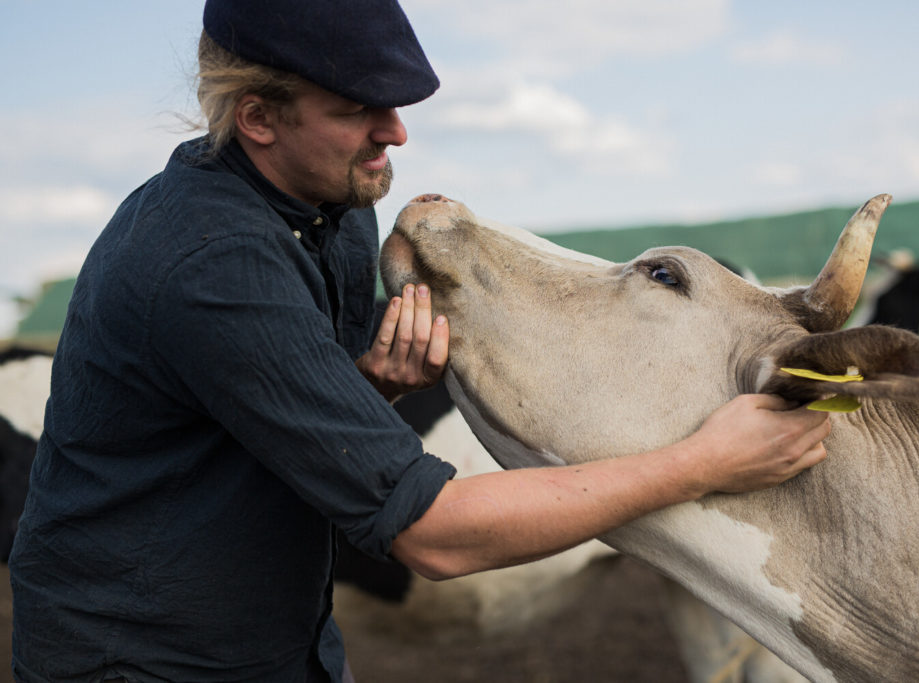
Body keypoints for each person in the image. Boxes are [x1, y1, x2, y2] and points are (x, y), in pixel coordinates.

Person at [8, 1, 831, 681]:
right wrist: (706, 463)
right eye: (356, 108)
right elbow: (434, 535)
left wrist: (371, 391)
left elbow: (253, 426)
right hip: (143, 658)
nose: (396, 134)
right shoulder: (211, 262)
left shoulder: (336, 206)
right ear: (256, 117)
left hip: (286, 638)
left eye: (396, 103)